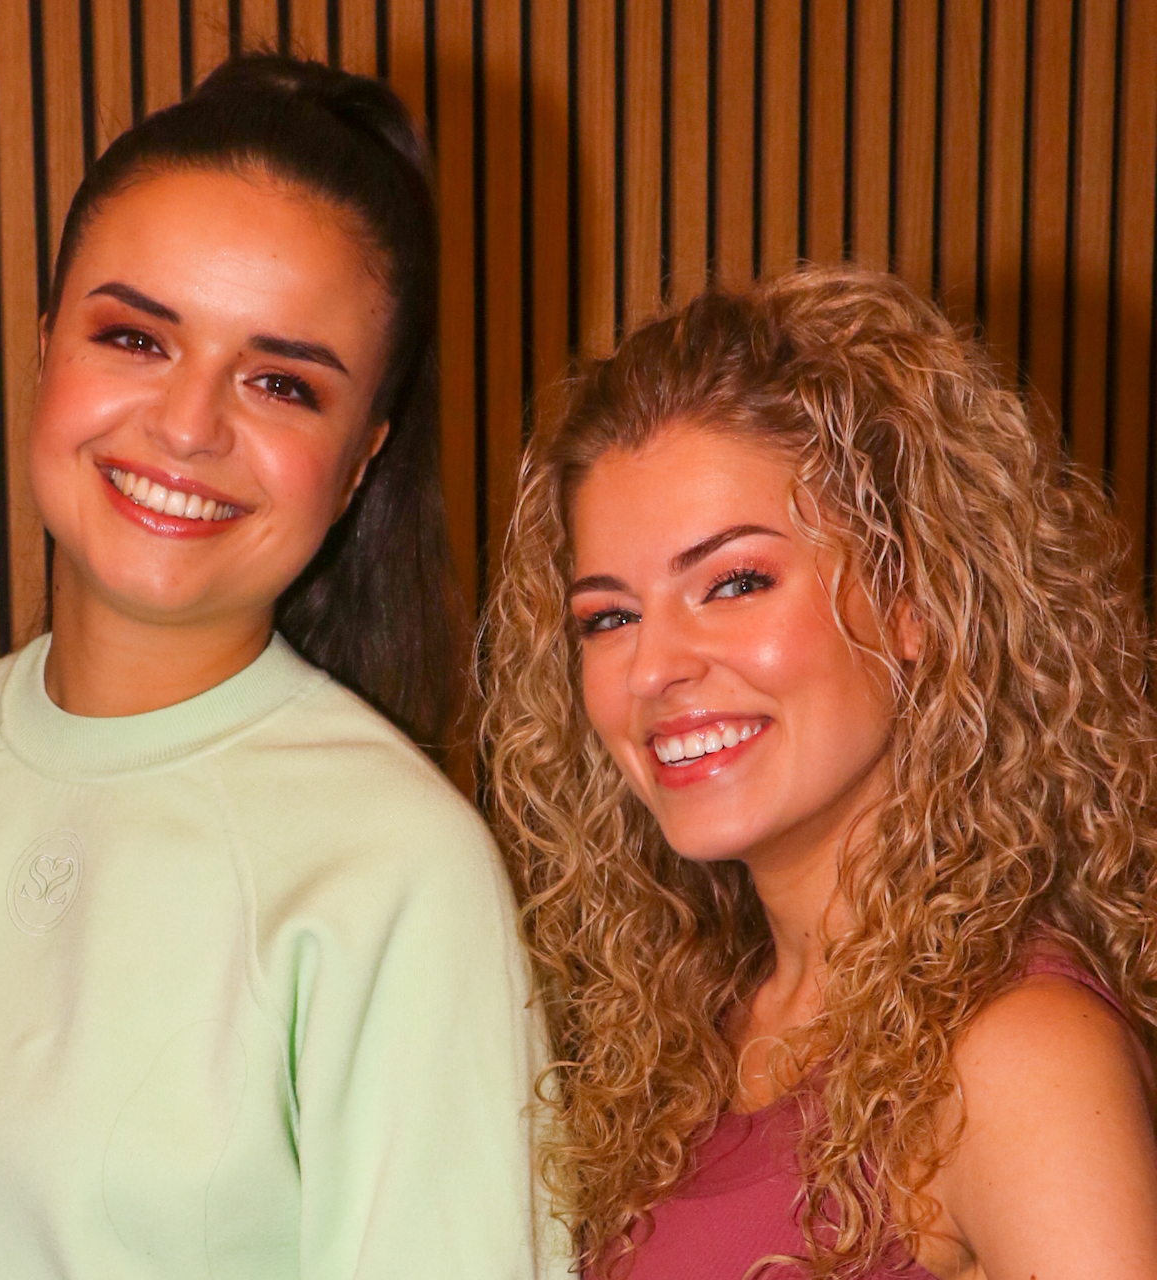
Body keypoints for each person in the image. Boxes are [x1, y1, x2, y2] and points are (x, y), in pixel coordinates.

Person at [0, 54, 565, 1280]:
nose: (191, 425)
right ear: (47, 344)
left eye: (279, 381)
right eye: (137, 336)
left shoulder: (395, 868)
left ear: (361, 457)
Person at [481, 266, 1157, 1278]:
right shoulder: (683, 1036)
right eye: (608, 617)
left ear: (915, 599)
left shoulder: (1023, 1059)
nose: (655, 665)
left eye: (734, 582)